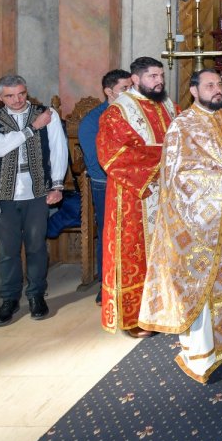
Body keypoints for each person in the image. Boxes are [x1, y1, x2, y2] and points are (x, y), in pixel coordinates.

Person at [139, 69, 222, 383]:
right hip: (203, 226)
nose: (217, 89)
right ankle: (204, 352)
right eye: (209, 85)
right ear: (194, 91)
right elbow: (178, 177)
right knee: (208, 285)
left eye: (219, 84)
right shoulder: (183, 126)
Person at [0, 74, 68, 326]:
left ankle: (37, 294)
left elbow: (59, 148)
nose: (17, 100)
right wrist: (32, 128)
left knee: (37, 245)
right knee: (8, 249)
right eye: (9, 95)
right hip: (0, 193)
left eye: (21, 93)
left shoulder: (46, 113)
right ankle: (9, 299)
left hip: (37, 190)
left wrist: (58, 184)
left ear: (26, 91)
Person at [95, 57, 177, 337]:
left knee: (165, 251)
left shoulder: (167, 105)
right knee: (134, 254)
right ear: (136, 79)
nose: (159, 82)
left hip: (166, 191)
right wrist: (164, 159)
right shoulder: (118, 111)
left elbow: (182, 139)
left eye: (161, 76)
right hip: (133, 194)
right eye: (153, 76)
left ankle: (166, 308)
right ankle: (135, 319)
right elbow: (114, 154)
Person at [77, 68, 132, 302]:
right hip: (107, 184)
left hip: (136, 182)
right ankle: (107, 284)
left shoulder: (136, 114)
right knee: (109, 234)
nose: (130, 93)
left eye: (132, 88)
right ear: (109, 91)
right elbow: (95, 161)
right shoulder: (93, 120)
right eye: (125, 89)